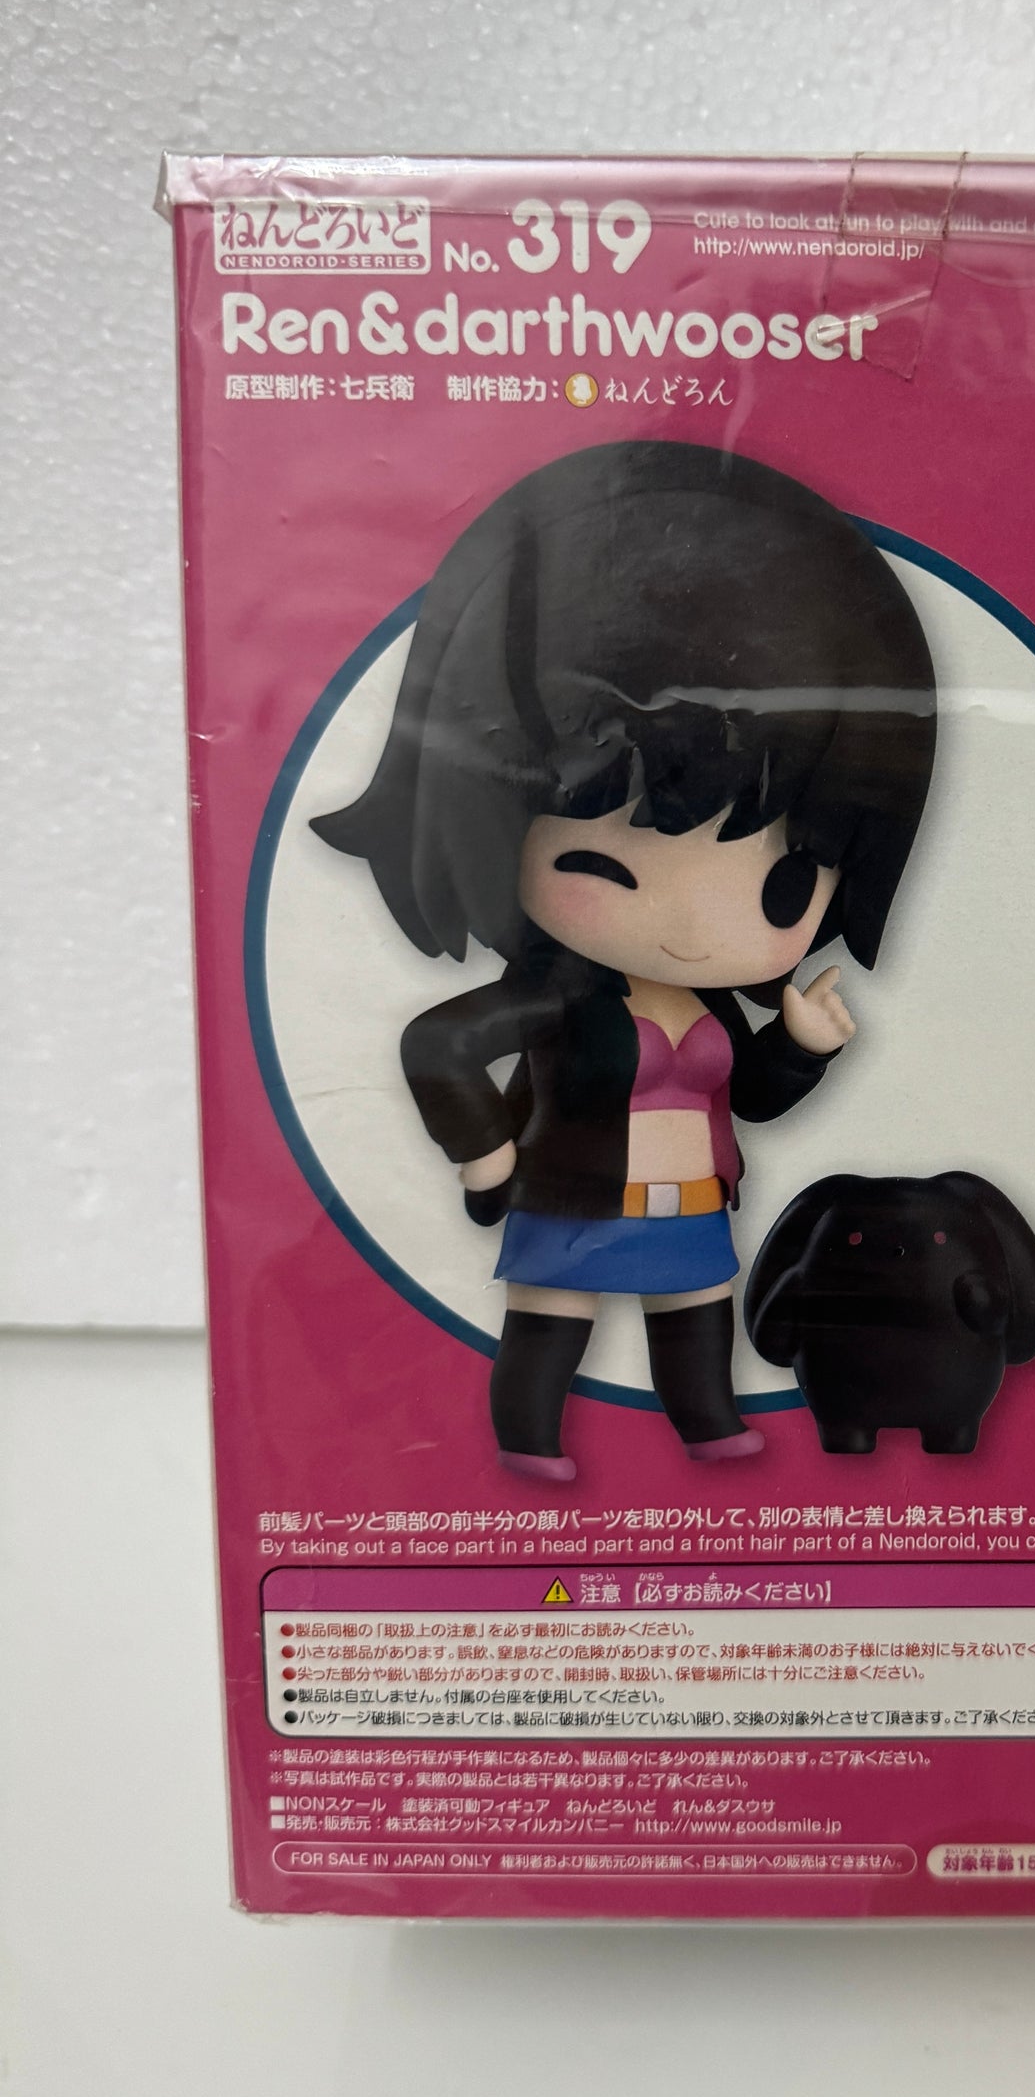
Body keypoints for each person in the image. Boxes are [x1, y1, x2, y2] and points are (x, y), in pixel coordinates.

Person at [315, 439, 937, 1479]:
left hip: (690, 1205)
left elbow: (754, 1100)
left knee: (695, 1318)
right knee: (549, 1329)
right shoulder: (556, 995)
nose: (691, 929)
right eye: (607, 862)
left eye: (781, 885)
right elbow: (439, 1043)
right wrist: (485, 1154)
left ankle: (706, 1423)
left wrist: (800, 1044)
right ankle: (528, 1440)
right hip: (571, 1198)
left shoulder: (717, 1004)